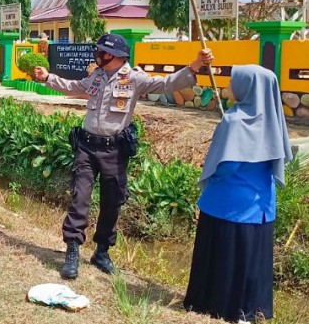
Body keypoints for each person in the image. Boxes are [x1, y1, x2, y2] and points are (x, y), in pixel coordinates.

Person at [33, 33, 213, 280]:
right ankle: (72, 250)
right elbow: (74, 87)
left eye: (102, 52)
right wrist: (47, 78)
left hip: (114, 151)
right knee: (80, 197)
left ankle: (102, 252)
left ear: (115, 56)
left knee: (112, 201)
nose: (97, 55)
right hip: (86, 146)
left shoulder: (134, 79)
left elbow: (166, 84)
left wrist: (195, 65)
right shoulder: (96, 76)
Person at [184, 65, 292, 324]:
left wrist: (212, 175)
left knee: (223, 258)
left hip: (228, 205)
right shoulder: (274, 120)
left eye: (234, 81)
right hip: (261, 208)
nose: (229, 85)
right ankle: (252, 311)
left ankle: (217, 306)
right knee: (252, 260)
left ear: (247, 87)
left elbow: (225, 165)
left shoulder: (235, 120)